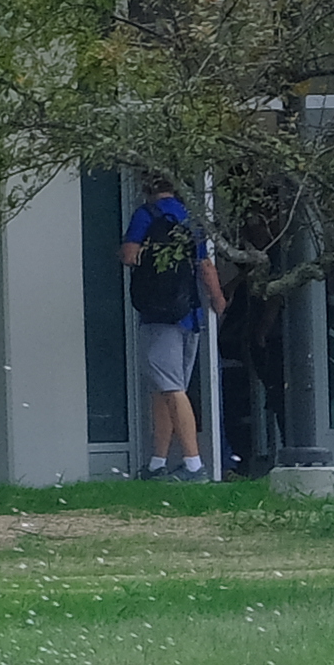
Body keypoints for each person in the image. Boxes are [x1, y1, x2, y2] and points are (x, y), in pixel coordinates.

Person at [123, 181, 224, 477]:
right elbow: (204, 264)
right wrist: (218, 300)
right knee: (164, 387)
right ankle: (158, 462)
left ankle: (194, 464)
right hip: (189, 314)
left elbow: (130, 255)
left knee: (172, 388)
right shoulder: (190, 218)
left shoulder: (146, 214)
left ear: (147, 187)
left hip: (159, 316)